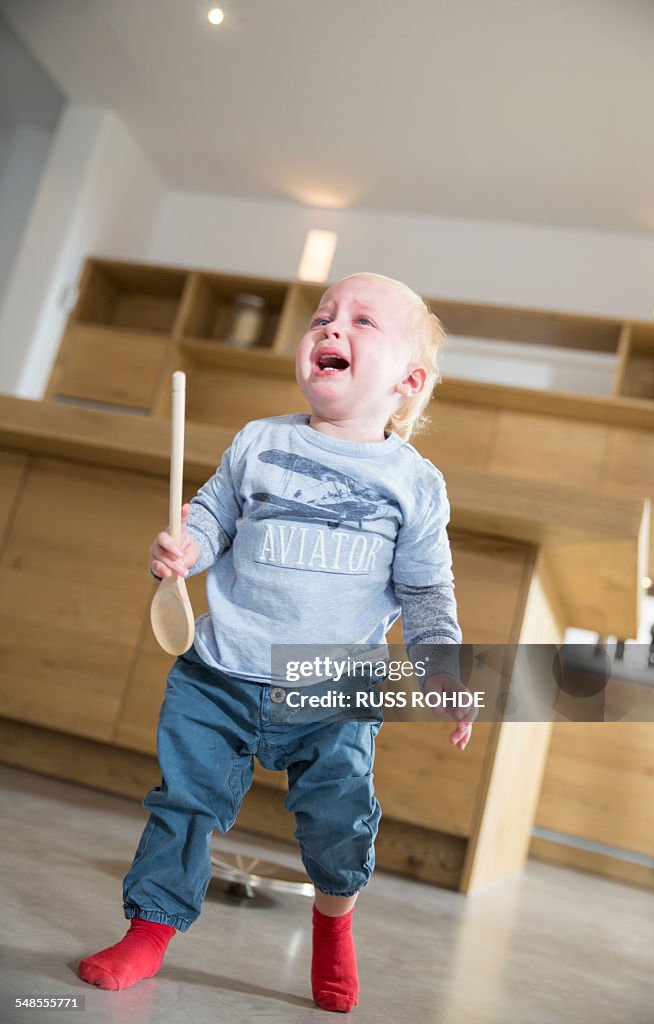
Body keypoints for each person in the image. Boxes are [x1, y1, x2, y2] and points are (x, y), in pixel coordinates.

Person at [78, 272, 471, 1012]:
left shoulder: (414, 484)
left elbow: (424, 592)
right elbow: (210, 517)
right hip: (218, 671)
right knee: (183, 804)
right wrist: (185, 548)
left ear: (407, 381)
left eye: (360, 321)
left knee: (338, 826)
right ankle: (149, 929)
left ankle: (332, 927)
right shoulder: (259, 441)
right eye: (322, 316)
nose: (330, 327)